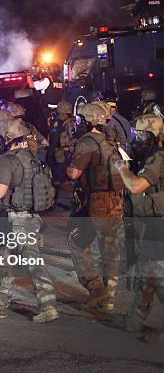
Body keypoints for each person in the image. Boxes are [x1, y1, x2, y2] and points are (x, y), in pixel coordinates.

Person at [0, 119, 59, 323]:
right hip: (30, 217)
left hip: (10, 219)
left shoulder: (8, 160)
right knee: (34, 263)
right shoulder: (33, 156)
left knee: (1, 263)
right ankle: (48, 306)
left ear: (7, 138)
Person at [67, 103, 125, 311]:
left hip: (96, 203)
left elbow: (74, 173)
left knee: (76, 241)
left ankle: (95, 289)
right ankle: (109, 298)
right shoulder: (112, 141)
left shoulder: (87, 143)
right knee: (110, 249)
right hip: (116, 201)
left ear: (87, 121)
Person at [114, 113, 164, 343]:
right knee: (147, 275)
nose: (136, 138)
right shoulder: (153, 155)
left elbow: (136, 186)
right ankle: (134, 321)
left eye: (140, 134)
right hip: (153, 226)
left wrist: (122, 169)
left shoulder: (158, 158)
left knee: (158, 277)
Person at [47, 101, 76, 188]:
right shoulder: (70, 123)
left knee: (58, 181)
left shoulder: (56, 123)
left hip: (59, 155)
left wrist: (50, 156)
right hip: (66, 155)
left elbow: (53, 141)